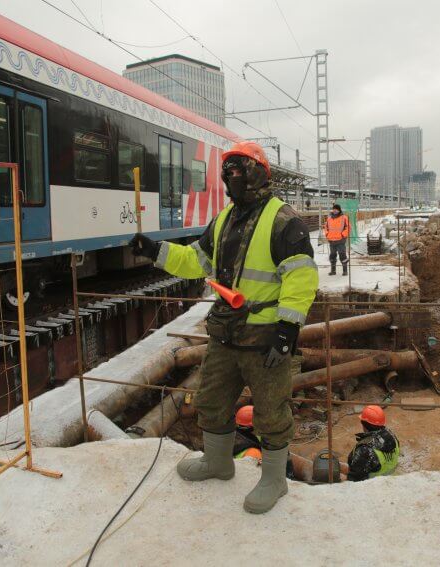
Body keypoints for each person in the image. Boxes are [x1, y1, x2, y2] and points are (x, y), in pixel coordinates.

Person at [129, 141, 318, 514]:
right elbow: (195, 261)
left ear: (258, 172)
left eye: (239, 169)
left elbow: (301, 277)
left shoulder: (283, 220)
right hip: (226, 335)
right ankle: (218, 462)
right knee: (211, 401)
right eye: (228, 170)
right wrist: (155, 251)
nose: (232, 176)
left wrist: (287, 330)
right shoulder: (223, 221)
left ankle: (275, 479)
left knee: (271, 412)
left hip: (265, 338)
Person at [346, 405, 400, 481]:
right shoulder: (391, 436)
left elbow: (354, 479)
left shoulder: (365, 449)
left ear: (364, 424)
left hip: (372, 484)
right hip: (390, 477)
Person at [323, 204, 350, 275]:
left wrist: (343, 235)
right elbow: (326, 228)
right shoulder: (329, 218)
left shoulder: (344, 218)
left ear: (339, 210)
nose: (334, 210)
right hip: (331, 241)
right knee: (332, 256)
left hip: (340, 240)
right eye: (334, 209)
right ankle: (333, 271)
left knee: (342, 255)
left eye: (336, 209)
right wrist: (327, 235)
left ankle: (345, 271)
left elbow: (348, 228)